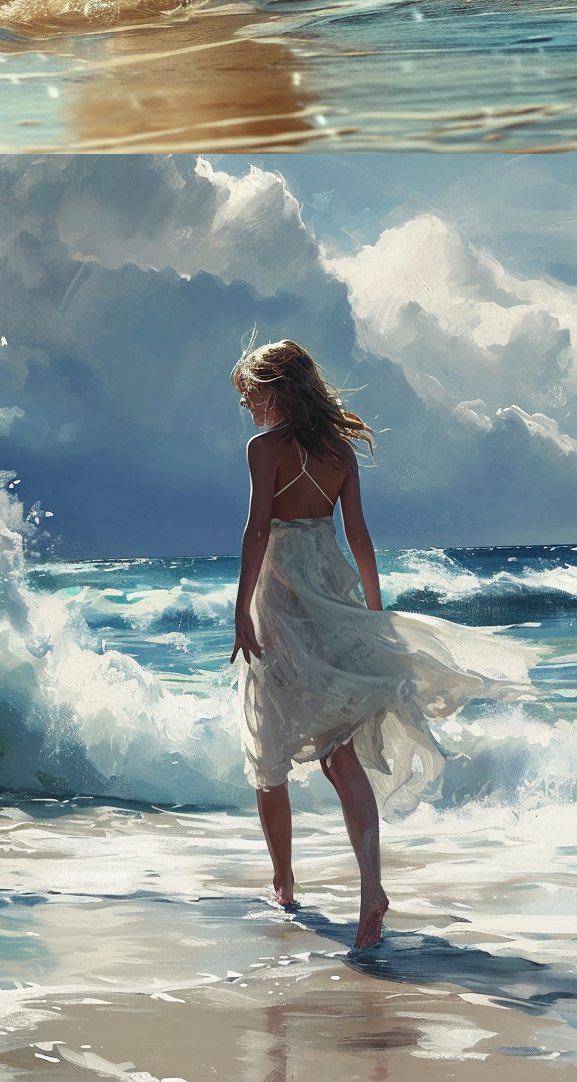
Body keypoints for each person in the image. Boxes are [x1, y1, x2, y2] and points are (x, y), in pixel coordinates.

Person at [228, 339, 532, 951]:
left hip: (284, 593)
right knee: (340, 748)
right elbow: (359, 536)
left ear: (275, 387)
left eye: (249, 392)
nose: (247, 405)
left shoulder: (265, 449)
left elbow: (260, 525)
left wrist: (240, 609)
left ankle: (284, 884)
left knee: (268, 748)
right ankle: (371, 887)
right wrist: (373, 611)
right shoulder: (339, 451)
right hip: (333, 584)